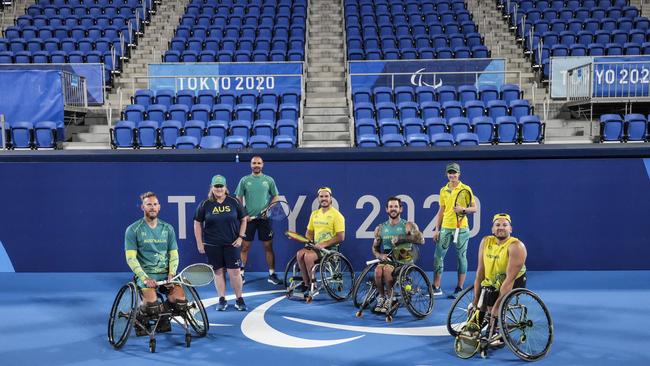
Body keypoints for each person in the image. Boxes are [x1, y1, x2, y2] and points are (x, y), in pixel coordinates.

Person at [125, 191, 186, 334]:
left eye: (155, 204)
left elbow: (174, 254)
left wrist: (172, 273)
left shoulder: (168, 228)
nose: (152, 207)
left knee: (180, 303)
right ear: (142, 207)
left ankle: (163, 315)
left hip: (166, 275)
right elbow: (131, 258)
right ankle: (140, 317)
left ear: (159, 207)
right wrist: (144, 278)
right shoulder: (133, 229)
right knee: (151, 306)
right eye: (149, 204)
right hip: (146, 275)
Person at [194, 175, 249, 311]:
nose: (218, 189)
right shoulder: (205, 204)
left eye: (221, 186)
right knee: (218, 272)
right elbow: (197, 223)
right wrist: (200, 243)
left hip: (232, 244)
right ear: (211, 188)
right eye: (216, 186)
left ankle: (239, 299)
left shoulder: (234, 202)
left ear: (226, 188)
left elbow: (244, 219)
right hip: (212, 245)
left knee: (235, 272)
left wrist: (241, 237)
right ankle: (222, 299)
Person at [471, 213, 527, 345]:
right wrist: (475, 299)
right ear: (492, 229)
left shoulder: (516, 246)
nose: (501, 227)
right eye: (497, 225)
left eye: (504, 225)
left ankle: (497, 330)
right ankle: (477, 324)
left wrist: (496, 308)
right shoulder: (485, 241)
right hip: (492, 282)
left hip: (513, 280)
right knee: (481, 301)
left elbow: (509, 280)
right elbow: (480, 272)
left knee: (492, 298)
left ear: (510, 229)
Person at [371, 196, 424, 313]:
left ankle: (391, 297)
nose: (393, 209)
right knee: (378, 271)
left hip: (404, 255)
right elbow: (374, 248)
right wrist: (380, 256)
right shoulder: (380, 228)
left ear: (401, 209)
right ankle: (382, 297)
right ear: (386, 209)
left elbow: (421, 240)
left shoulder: (408, 225)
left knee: (386, 270)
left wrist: (401, 238)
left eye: (396, 206)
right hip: (388, 255)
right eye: (391, 207)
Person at [432, 162, 477, 298]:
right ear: (447, 174)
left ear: (459, 174)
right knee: (438, 257)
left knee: (461, 257)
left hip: (462, 229)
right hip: (446, 228)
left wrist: (463, 209)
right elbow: (441, 210)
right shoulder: (443, 190)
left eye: (454, 173)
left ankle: (459, 287)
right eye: (450, 173)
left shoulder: (466, 189)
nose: (452, 175)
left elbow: (474, 208)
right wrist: (437, 229)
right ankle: (436, 287)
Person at [235, 156, 282, 285]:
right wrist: (244, 214)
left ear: (262, 165)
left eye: (259, 163)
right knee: (245, 247)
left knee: (268, 246)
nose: (256, 165)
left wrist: (268, 209)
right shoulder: (244, 180)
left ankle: (272, 274)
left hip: (264, 220)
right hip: (249, 220)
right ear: (251, 165)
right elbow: (238, 198)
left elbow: (276, 196)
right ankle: (241, 274)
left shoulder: (269, 180)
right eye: (254, 163)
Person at [295, 187, 345, 297]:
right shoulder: (314, 214)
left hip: (329, 249)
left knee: (308, 257)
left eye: (326, 196)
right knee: (299, 254)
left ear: (331, 198)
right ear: (318, 198)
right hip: (315, 247)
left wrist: (324, 244)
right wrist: (308, 240)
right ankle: (306, 283)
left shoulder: (337, 216)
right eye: (321, 196)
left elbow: (341, 237)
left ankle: (314, 286)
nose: (324, 199)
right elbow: (309, 232)